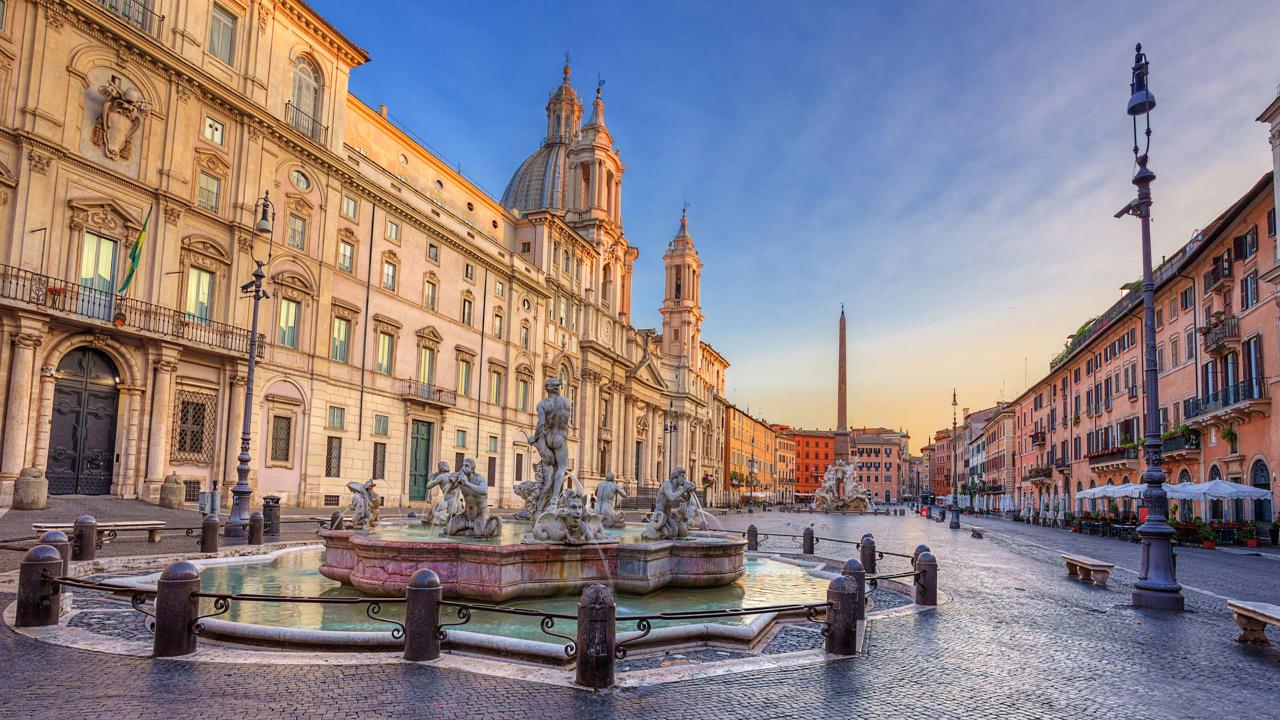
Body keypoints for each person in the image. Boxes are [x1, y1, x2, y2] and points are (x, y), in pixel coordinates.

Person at [530, 377, 572, 511]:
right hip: (560, 438)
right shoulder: (566, 402)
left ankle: (547, 498)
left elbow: (541, 424)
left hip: (548, 438)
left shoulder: (542, 404)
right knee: (561, 468)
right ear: (557, 388)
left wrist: (535, 437)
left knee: (552, 468)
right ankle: (554, 500)